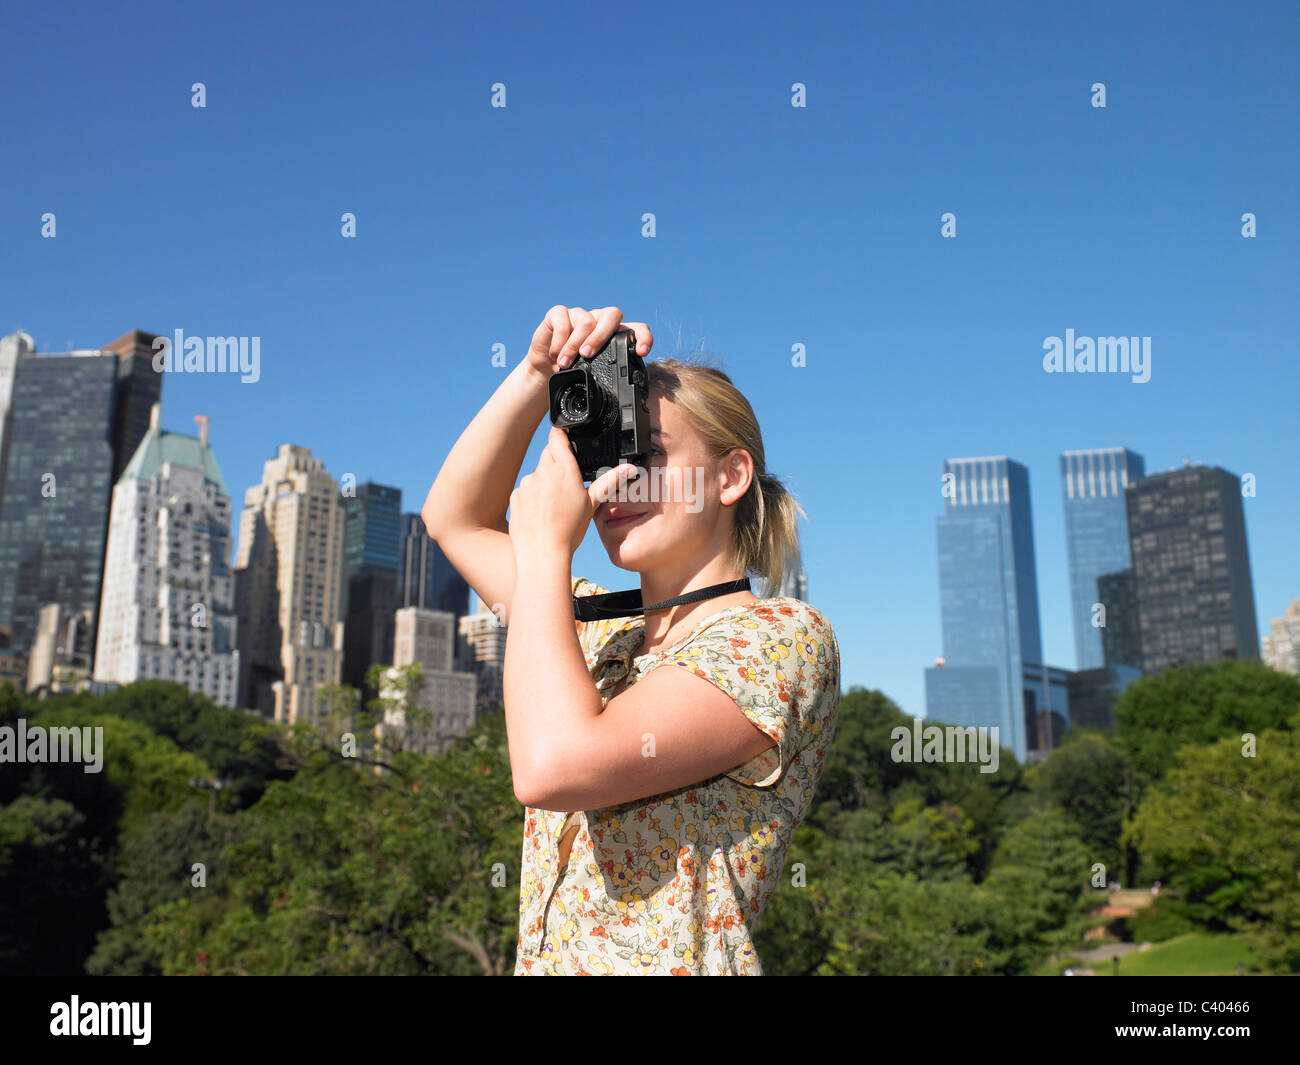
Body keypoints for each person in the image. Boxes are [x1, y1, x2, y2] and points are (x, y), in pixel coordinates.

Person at [422, 304, 841, 975]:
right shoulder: (593, 631)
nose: (619, 480)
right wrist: (541, 371)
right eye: (610, 451)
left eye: (649, 452)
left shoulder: (780, 638)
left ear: (731, 476)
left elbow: (553, 765)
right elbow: (455, 518)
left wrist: (548, 548)